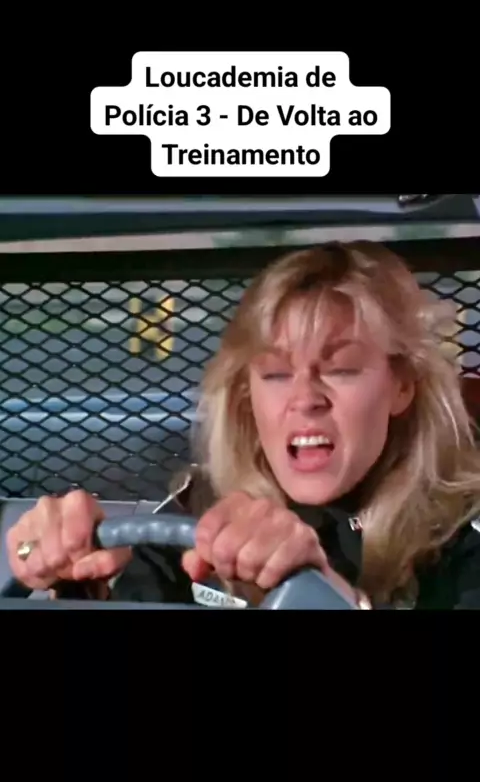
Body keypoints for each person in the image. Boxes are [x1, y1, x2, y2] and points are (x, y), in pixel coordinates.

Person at [6, 241, 480, 609]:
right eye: (275, 374)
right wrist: (75, 587)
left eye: (341, 369)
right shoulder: (195, 513)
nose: (305, 399)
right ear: (247, 394)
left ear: (402, 386)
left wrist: (326, 595)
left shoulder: (459, 539)